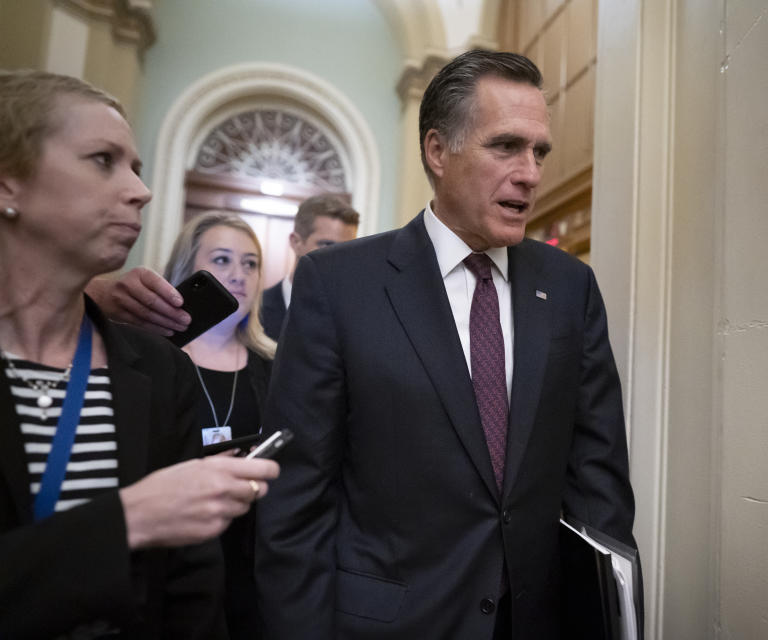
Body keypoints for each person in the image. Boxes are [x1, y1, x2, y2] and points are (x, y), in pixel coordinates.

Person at [255, 50, 638, 639]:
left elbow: (599, 481)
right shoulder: (339, 285)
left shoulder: (568, 288)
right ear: (438, 151)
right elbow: (297, 499)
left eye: (539, 152)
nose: (530, 173)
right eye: (506, 146)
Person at [0, 69, 279, 639]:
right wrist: (126, 521)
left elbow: (191, 592)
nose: (141, 191)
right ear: (9, 184)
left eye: (137, 168)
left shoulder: (155, 369)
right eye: (103, 160)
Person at [163, 211, 276, 640]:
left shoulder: (275, 366)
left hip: (251, 561)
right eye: (223, 260)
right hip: (174, 557)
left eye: (250, 264)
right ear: (188, 269)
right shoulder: (150, 358)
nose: (239, 275)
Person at [260, 194, 359, 340]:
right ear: (296, 242)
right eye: (327, 246)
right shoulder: (256, 310)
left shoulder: (356, 318)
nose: (340, 258)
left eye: (347, 249)